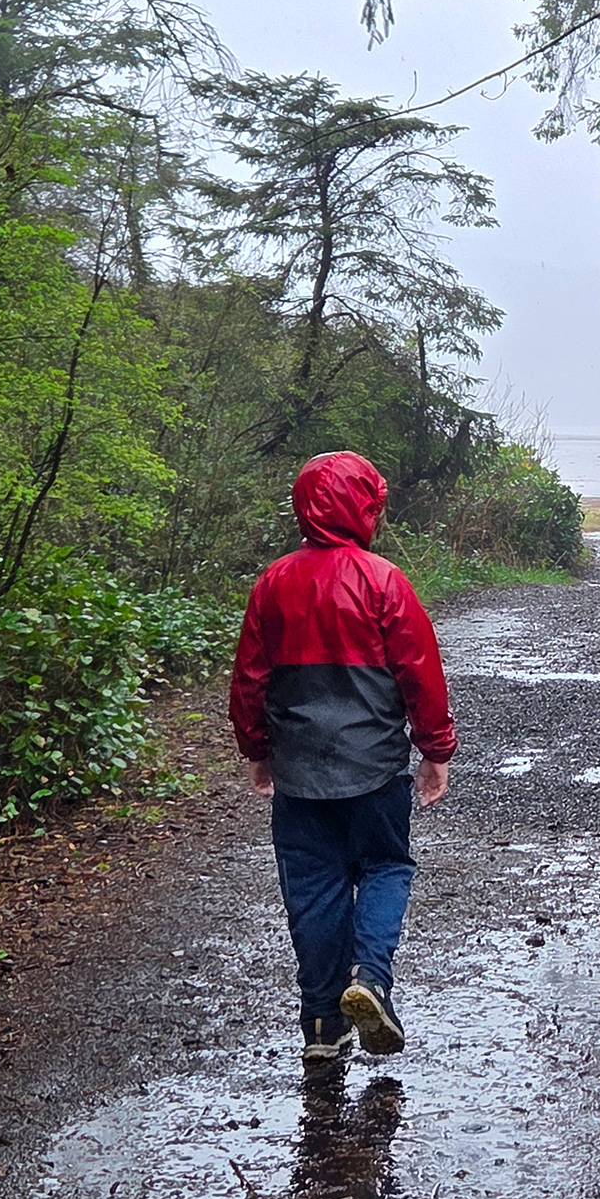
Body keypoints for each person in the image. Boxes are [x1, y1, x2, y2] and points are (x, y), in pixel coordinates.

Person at [229, 451, 456, 1063]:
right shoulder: (385, 581)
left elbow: (250, 679)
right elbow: (420, 677)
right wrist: (434, 750)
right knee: (385, 867)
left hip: (301, 775)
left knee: (313, 889)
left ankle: (322, 1025)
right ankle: (371, 979)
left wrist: (258, 748)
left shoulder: (272, 583)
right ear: (364, 509)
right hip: (375, 770)